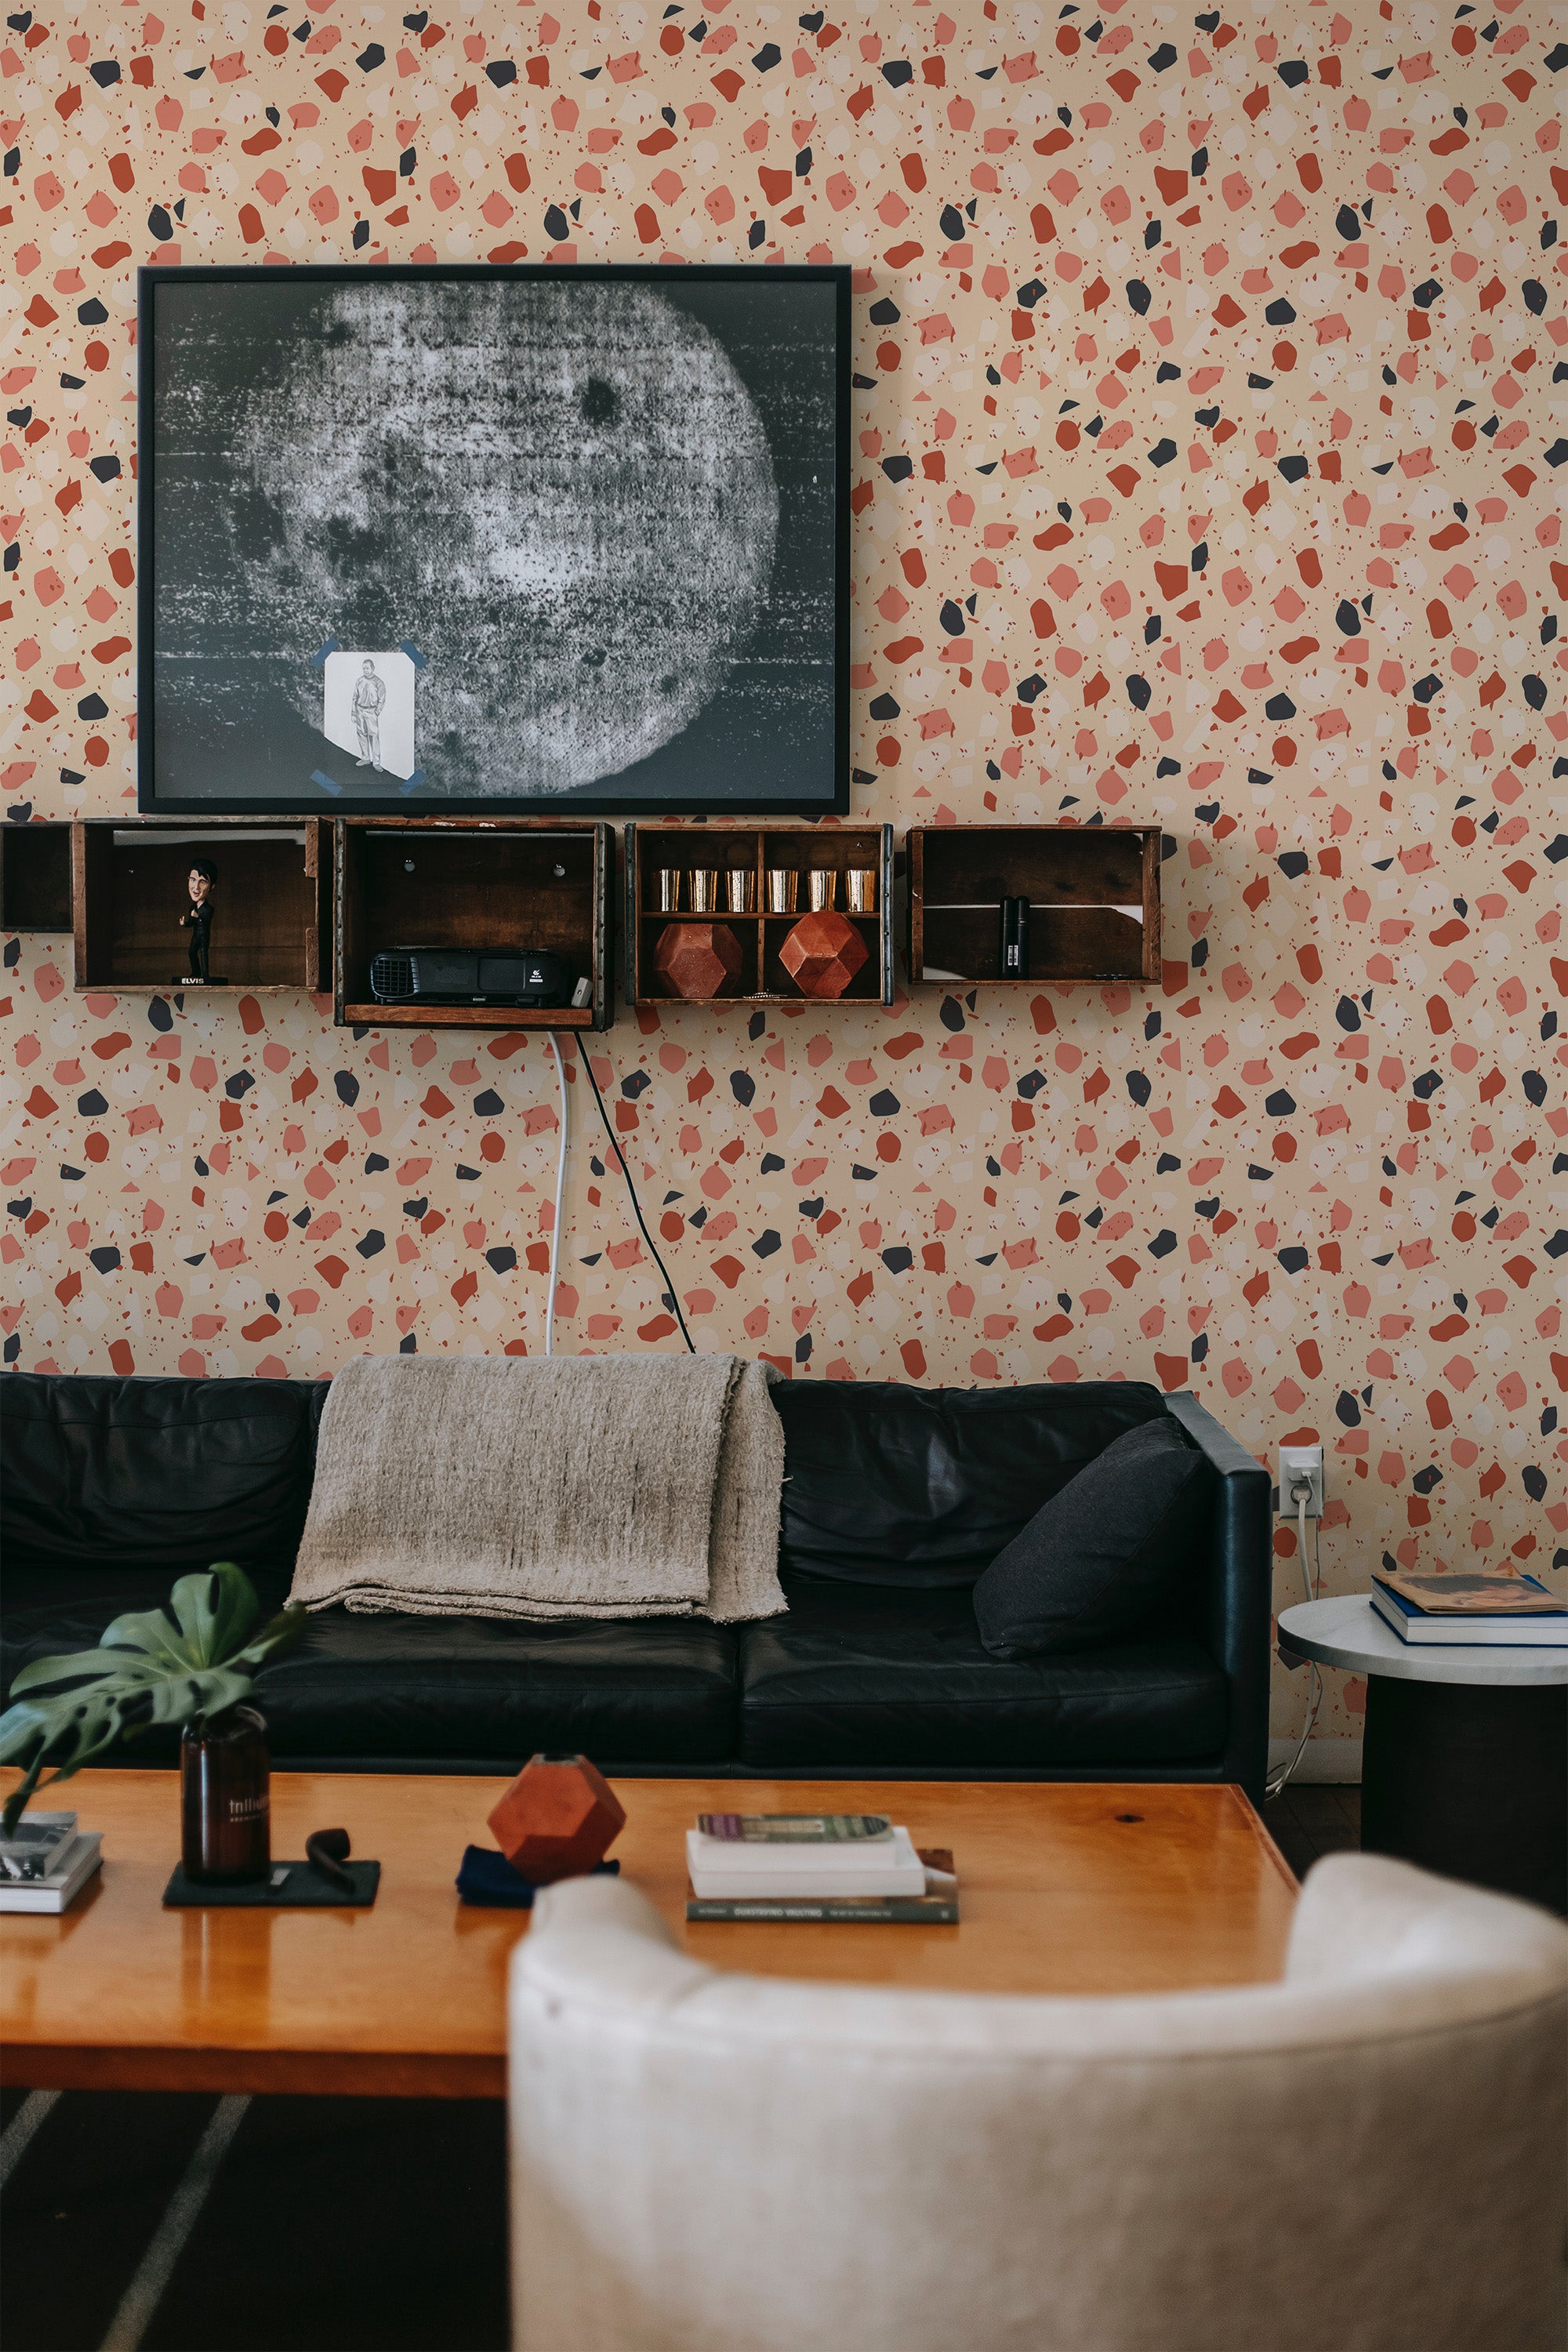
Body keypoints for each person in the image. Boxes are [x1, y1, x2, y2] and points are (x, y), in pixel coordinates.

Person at [176, 858, 217, 984]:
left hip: (204, 935)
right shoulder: (193, 907)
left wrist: (197, 916)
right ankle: (196, 973)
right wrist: (186, 924)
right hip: (196, 934)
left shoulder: (208, 908)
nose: (196, 887)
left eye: (203, 882)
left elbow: (205, 920)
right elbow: (192, 922)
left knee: (204, 953)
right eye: (193, 880)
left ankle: (205, 975)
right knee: (192, 951)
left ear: (212, 887)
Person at [353, 658, 387, 771]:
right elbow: (355, 697)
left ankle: (376, 762)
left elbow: (382, 699)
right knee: (361, 734)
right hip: (360, 710)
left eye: (367, 668)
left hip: (371, 711)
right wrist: (354, 713)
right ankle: (365, 758)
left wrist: (377, 711)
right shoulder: (359, 681)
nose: (365, 670)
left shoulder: (379, 682)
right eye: (364, 668)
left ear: (373, 668)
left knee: (374, 737)